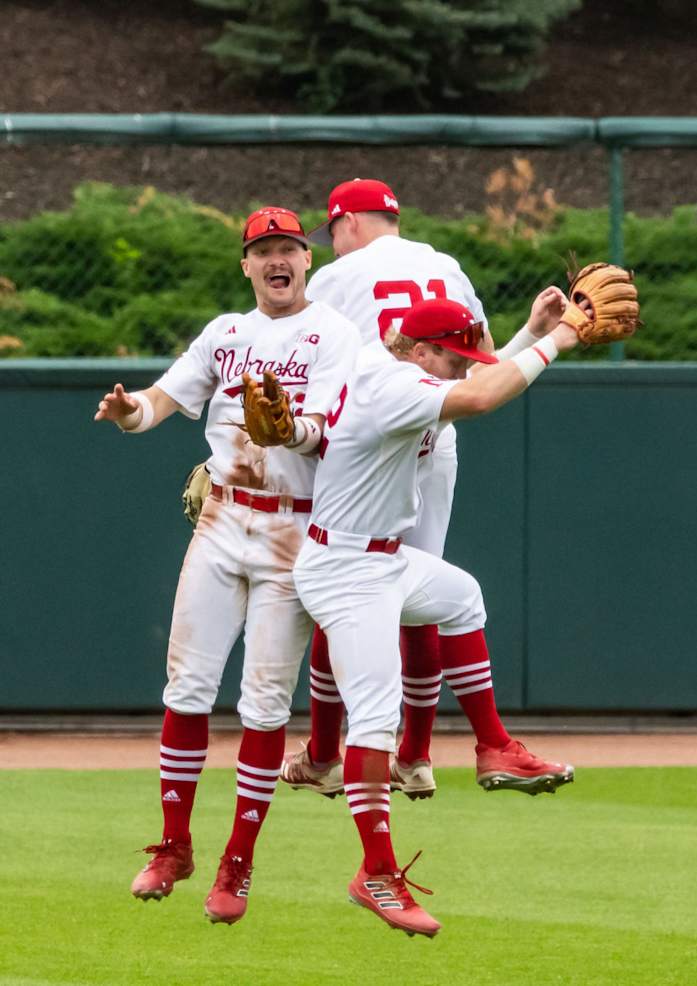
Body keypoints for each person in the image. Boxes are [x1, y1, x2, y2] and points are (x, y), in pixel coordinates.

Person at [94, 207, 360, 924]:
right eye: (264, 250)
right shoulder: (226, 332)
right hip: (221, 519)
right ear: (246, 264)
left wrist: (296, 431)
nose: (278, 260)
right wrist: (128, 413)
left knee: (265, 702)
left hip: (292, 532)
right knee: (186, 685)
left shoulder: (335, 334)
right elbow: (161, 399)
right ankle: (173, 846)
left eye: (289, 249)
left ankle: (236, 866)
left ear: (308, 260)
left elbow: (332, 429)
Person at [289, 296, 583, 937]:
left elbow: (472, 381)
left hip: (383, 558)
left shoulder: (405, 366)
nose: (460, 370)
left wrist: (529, 332)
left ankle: (494, 747)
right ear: (420, 351)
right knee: (374, 719)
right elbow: (479, 398)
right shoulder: (390, 383)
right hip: (344, 569)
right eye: (452, 358)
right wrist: (558, 339)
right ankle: (376, 873)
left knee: (460, 597)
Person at [281, 178, 573, 800]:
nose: (331, 245)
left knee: (423, 591)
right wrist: (546, 339)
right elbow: (479, 368)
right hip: (410, 440)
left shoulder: (338, 282)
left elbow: (467, 370)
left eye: (330, 232)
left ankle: (341, 753)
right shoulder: (443, 265)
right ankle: (407, 755)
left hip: (368, 435)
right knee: (390, 596)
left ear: (348, 223)